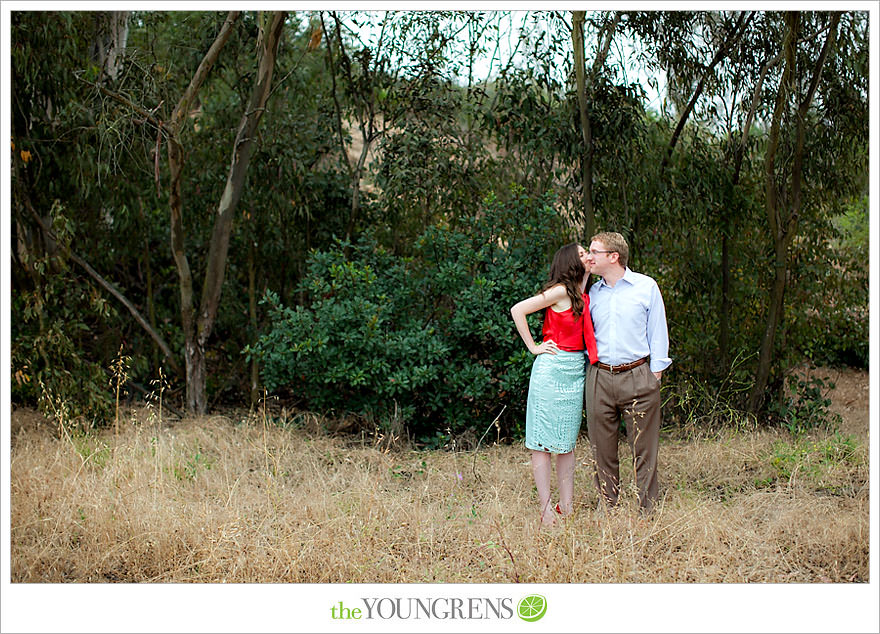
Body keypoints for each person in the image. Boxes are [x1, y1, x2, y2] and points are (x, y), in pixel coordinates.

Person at [510, 243, 598, 526]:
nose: (588, 257)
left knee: (566, 442)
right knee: (542, 443)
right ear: (572, 260)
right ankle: (546, 510)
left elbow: (584, 285)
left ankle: (567, 505)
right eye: (584, 253)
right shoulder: (560, 290)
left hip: (574, 371)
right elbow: (518, 310)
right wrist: (533, 346)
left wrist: (588, 270)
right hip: (551, 369)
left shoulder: (579, 291)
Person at [584, 232, 671, 514]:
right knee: (602, 447)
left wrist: (655, 373)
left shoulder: (645, 287)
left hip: (637, 375)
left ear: (613, 257)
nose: (589, 256)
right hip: (600, 377)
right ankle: (607, 504)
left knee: (644, 448)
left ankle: (648, 507)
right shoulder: (591, 292)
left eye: (594, 252)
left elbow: (658, 331)